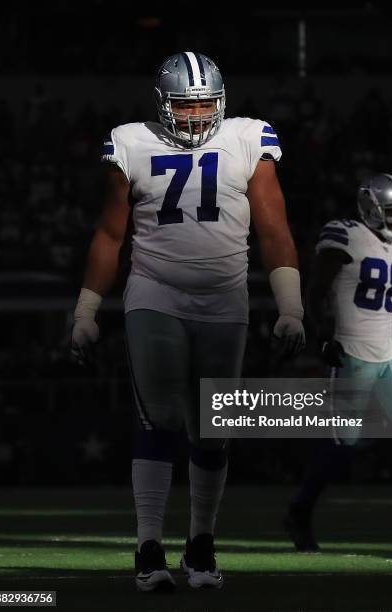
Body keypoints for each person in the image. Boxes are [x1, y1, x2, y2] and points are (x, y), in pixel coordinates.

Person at [71, 52, 305, 592]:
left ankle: (201, 544)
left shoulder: (249, 138)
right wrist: (86, 311)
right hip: (156, 291)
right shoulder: (131, 141)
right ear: (162, 104)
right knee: (160, 416)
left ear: (222, 102)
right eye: (185, 104)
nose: (197, 115)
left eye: (205, 103)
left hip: (227, 299)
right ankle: (148, 547)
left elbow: (273, 227)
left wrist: (290, 307)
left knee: (213, 426)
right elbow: (110, 234)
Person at [285, 173, 392, 552]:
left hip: (389, 349)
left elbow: (387, 308)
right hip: (352, 352)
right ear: (371, 210)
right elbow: (315, 289)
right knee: (344, 446)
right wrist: (322, 335)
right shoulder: (346, 235)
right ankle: (300, 510)